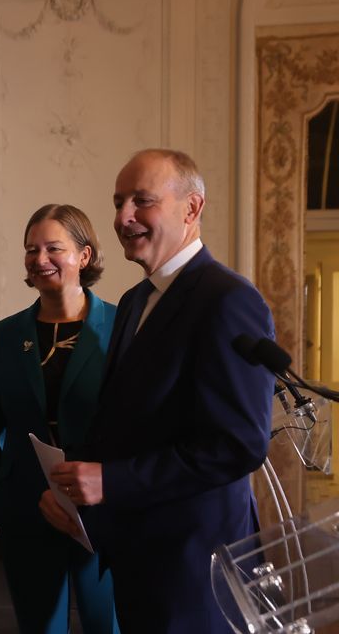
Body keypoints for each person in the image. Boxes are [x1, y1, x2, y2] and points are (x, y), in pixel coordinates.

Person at [40, 149, 276, 632]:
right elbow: (125, 423)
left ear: (192, 209)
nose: (123, 217)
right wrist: (73, 494)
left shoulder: (229, 300)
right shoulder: (134, 301)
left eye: (141, 201)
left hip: (198, 571)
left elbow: (239, 444)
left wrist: (112, 483)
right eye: (118, 201)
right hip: (140, 560)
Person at [0, 204, 120, 633]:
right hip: (26, 507)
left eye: (54, 248)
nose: (40, 260)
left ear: (84, 256)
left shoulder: (120, 325)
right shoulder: (6, 333)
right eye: (31, 249)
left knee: (106, 624)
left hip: (101, 507)